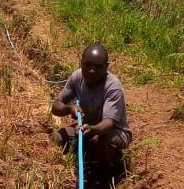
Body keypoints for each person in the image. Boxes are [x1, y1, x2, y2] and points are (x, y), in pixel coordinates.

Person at [51, 43, 132, 178]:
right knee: (58, 138)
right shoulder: (77, 77)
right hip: (88, 127)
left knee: (102, 141)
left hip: (113, 132)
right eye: (87, 65)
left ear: (106, 67)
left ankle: (107, 173)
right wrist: (69, 108)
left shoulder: (113, 87)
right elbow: (55, 106)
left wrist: (92, 130)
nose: (92, 70)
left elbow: (108, 124)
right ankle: (86, 155)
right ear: (81, 62)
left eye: (98, 67)